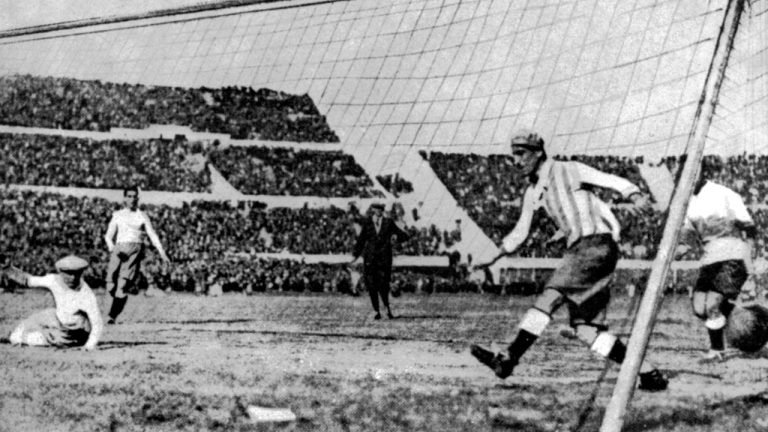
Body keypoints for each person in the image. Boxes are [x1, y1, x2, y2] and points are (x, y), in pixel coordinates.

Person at [469, 130, 668, 391]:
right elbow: (519, 233)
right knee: (586, 330)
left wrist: (634, 194)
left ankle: (508, 358)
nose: (516, 161)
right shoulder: (533, 192)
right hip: (589, 250)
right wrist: (491, 258)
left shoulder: (568, 169)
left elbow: (609, 180)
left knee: (550, 296)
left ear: (538, 152)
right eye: (514, 155)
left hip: (593, 245)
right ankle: (649, 373)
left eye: (521, 154)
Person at [677, 157, 756, 362]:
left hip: (733, 254)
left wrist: (750, 263)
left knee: (712, 305)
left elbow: (749, 228)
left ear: (702, 171)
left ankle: (717, 351)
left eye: (694, 169)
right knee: (699, 308)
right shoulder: (684, 200)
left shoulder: (724, 193)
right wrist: (675, 251)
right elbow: (686, 238)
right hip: (709, 258)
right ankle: (752, 321)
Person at [3, 255, 103, 350]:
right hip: (56, 317)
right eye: (68, 273)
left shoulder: (86, 294)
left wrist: (89, 345)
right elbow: (28, 281)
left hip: (72, 332)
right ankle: (14, 335)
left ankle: (19, 337)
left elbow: (97, 323)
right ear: (60, 272)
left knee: (31, 339)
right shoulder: (54, 280)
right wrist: (7, 269)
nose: (72, 277)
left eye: (76, 273)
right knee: (26, 326)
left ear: (81, 273)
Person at [104, 186, 170, 324]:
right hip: (118, 250)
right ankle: (112, 309)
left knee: (121, 286)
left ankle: (112, 316)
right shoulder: (118, 215)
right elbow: (108, 237)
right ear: (124, 198)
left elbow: (152, 235)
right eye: (129, 196)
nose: (132, 199)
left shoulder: (142, 215)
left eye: (134, 196)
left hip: (134, 251)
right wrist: (113, 249)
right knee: (111, 286)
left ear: (138, 198)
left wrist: (162, 253)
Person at [349, 203, 409, 319]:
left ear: (383, 210)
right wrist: (355, 255)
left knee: (383, 284)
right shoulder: (367, 223)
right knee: (371, 285)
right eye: (376, 209)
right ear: (372, 210)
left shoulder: (388, 222)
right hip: (370, 258)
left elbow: (404, 235)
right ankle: (376, 311)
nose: (378, 211)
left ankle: (387, 308)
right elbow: (361, 240)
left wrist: (397, 237)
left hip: (384, 258)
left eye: (381, 209)